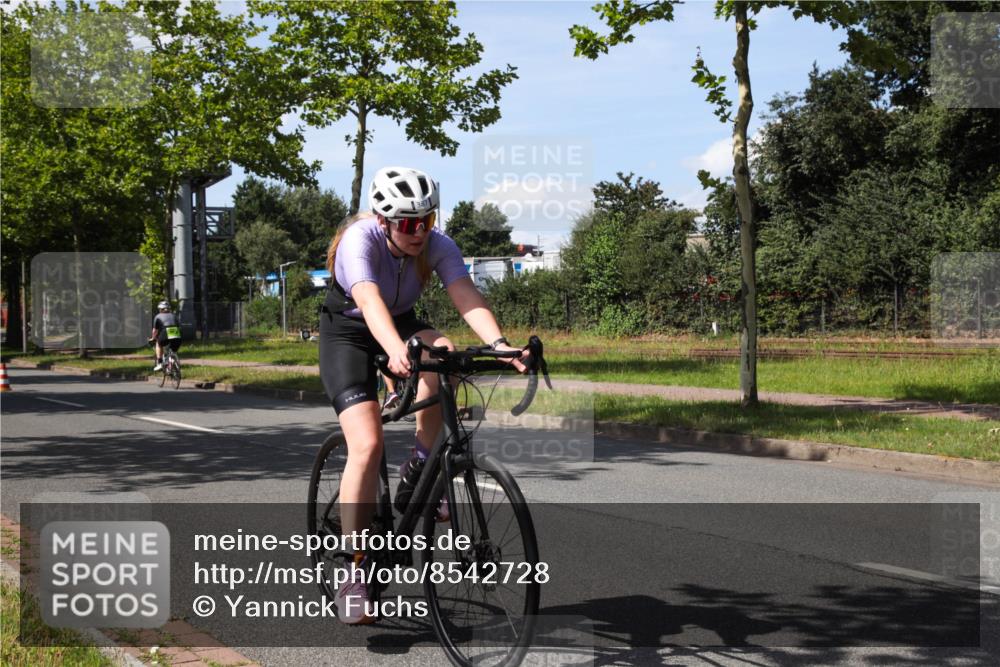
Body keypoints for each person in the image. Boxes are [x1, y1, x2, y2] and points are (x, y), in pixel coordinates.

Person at [320, 166, 529, 624]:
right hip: (349, 332)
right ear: (384, 221)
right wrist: (395, 351)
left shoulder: (438, 244)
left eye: (427, 221)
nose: (420, 232)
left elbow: (465, 294)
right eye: (410, 224)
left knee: (445, 353)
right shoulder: (360, 241)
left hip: (401, 322)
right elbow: (370, 303)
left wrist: (499, 345)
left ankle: (421, 460)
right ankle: (355, 574)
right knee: (368, 443)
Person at [149, 301, 182, 370]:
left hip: (166, 332)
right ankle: (172, 361)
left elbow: (155, 330)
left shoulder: (158, 316)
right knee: (173, 350)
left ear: (160, 309)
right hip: (177, 334)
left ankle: (160, 363)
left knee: (158, 344)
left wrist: (152, 338)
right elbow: (179, 327)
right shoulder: (174, 315)